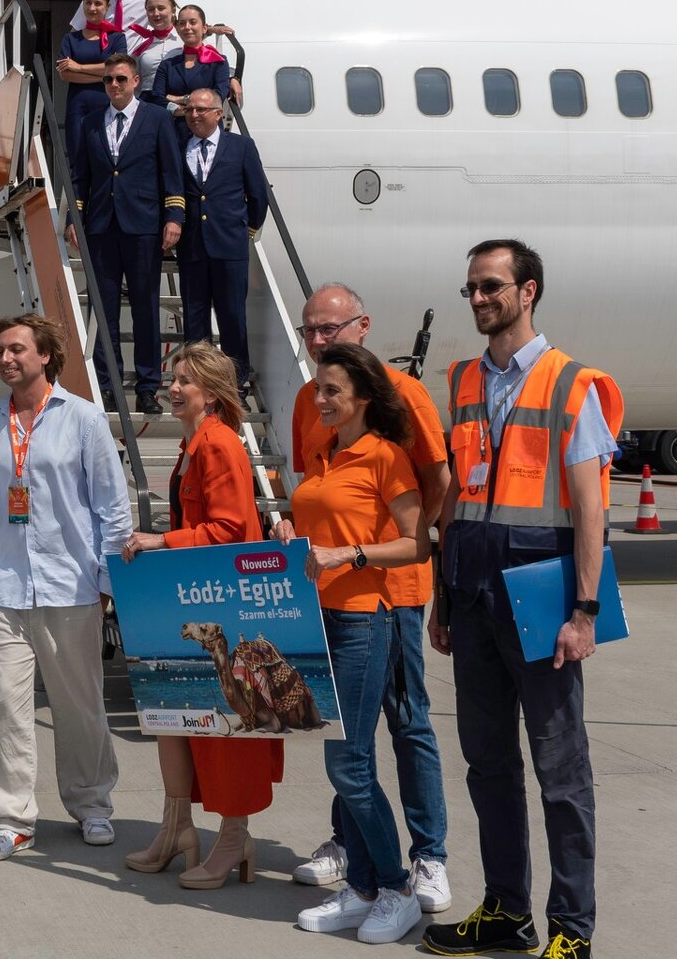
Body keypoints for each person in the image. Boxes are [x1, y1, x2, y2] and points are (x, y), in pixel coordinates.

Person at [420, 240, 622, 959]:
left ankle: (572, 930)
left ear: (527, 291)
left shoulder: (571, 385)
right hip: (473, 596)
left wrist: (585, 612)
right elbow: (458, 497)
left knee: (560, 771)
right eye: (471, 288)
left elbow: (590, 509)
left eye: (491, 286)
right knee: (488, 766)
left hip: (542, 598)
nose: (478, 299)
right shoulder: (464, 380)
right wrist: (443, 597)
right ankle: (507, 912)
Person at [289, 283, 453, 915]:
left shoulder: (403, 395)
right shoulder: (310, 399)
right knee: (347, 733)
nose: (317, 340)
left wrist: (374, 545)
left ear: (362, 326)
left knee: (406, 721)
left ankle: (428, 855)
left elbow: (436, 482)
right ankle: (352, 851)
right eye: (308, 330)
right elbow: (318, 482)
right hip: (331, 593)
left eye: (328, 329)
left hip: (391, 592)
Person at [275, 343, 430, 945]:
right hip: (320, 621)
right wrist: (291, 530)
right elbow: (322, 526)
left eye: (332, 390)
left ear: (363, 396)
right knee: (344, 763)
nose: (320, 399)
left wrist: (351, 554)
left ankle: (396, 889)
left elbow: (417, 543)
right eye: (318, 389)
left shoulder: (386, 456)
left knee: (350, 763)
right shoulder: (324, 454)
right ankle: (364, 888)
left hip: (365, 621)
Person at [0, 314, 130, 862]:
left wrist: (107, 584)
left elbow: (112, 507)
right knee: (5, 709)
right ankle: (12, 819)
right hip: (5, 585)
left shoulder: (82, 418)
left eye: (16, 349)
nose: (5, 359)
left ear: (45, 355)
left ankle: (92, 804)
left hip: (70, 584)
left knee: (79, 705)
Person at [119, 343, 280, 888]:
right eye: (173, 378)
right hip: (192, 597)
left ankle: (234, 838)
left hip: (220, 604)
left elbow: (230, 529)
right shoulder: (193, 444)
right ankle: (176, 828)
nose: (173, 387)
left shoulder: (218, 443)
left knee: (223, 728)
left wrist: (161, 540)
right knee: (172, 716)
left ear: (211, 392)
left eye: (185, 380)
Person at [68, 52, 187, 414]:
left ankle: (148, 386)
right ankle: (108, 385)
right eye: (108, 79)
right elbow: (81, 176)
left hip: (143, 227)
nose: (114, 85)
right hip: (102, 227)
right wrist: (75, 217)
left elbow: (171, 170)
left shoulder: (156, 119)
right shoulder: (91, 121)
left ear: (135, 81)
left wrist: (174, 216)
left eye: (121, 78)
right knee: (103, 310)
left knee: (145, 308)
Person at [175, 87, 269, 387]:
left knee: (232, 319)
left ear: (218, 113)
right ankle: (199, 383)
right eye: (189, 109)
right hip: (192, 247)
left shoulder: (241, 147)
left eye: (201, 110)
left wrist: (246, 231)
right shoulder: (178, 147)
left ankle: (236, 384)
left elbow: (258, 195)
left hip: (229, 248)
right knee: (195, 321)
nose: (194, 115)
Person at [57, 0, 128, 176]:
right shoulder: (71, 39)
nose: (92, 8)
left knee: (107, 160)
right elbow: (64, 74)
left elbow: (117, 70)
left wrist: (79, 67)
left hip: (108, 105)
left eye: (98, 3)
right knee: (78, 160)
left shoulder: (117, 38)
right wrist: (104, 75)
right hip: (78, 107)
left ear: (107, 6)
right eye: (88, 3)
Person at [147, 5, 233, 115]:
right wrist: (178, 110)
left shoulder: (219, 61)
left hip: (206, 123)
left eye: (193, 22)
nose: (187, 27)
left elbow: (217, 97)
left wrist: (180, 99)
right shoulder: (167, 64)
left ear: (204, 28)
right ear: (178, 29)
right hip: (173, 123)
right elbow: (157, 98)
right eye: (182, 23)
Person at [128, 0, 182, 98]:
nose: (156, 13)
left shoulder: (184, 40)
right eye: (151, 9)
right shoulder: (141, 44)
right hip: (149, 99)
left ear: (173, 11)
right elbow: (134, 82)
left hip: (180, 99)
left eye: (161, 8)